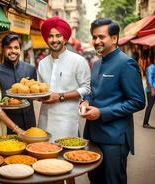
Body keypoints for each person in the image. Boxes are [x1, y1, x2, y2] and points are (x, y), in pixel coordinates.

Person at [80, 18, 145, 184]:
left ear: (114, 38)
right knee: (94, 179)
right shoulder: (96, 64)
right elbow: (92, 92)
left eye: (102, 37)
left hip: (114, 139)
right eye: (94, 37)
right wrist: (85, 102)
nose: (97, 41)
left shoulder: (126, 63)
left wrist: (102, 112)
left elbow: (138, 101)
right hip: (93, 135)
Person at [37, 16, 91, 141]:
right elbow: (40, 90)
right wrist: (37, 96)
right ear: (46, 39)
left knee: (67, 156)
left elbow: (87, 88)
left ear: (65, 38)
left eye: (58, 36)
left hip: (67, 122)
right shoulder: (42, 63)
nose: (54, 40)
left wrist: (60, 96)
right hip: (44, 121)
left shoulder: (78, 61)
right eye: (50, 36)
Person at [0, 34, 37, 134]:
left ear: (20, 50)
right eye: (9, 47)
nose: (13, 51)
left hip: (30, 124)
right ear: (2, 49)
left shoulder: (30, 69)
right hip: (7, 127)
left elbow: (35, 95)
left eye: (16, 47)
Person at [143, 54, 155, 129]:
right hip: (151, 91)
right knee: (149, 107)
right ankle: (145, 123)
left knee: (150, 106)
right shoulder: (151, 68)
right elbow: (149, 80)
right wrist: (152, 90)